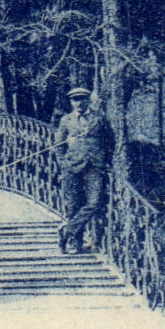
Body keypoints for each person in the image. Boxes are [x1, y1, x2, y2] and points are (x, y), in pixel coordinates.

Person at [56, 87, 112, 254]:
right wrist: (63, 165)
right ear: (71, 102)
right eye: (75, 100)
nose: (79, 102)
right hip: (72, 168)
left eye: (82, 99)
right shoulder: (66, 121)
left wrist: (105, 160)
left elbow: (110, 141)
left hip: (94, 166)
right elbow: (59, 146)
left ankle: (66, 232)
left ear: (88, 100)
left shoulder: (99, 118)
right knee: (73, 206)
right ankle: (76, 244)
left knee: (94, 203)